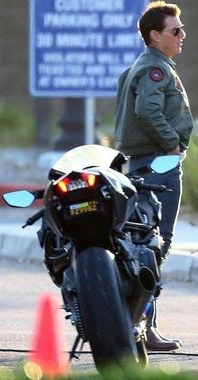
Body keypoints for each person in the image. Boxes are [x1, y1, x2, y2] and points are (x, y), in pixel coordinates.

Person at [115, 1, 194, 351]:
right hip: (156, 164)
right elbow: (147, 110)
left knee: (144, 247)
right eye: (174, 30)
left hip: (143, 162)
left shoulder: (146, 65)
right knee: (154, 246)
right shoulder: (155, 69)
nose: (182, 35)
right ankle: (142, 328)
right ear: (154, 36)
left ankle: (140, 326)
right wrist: (172, 146)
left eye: (181, 29)